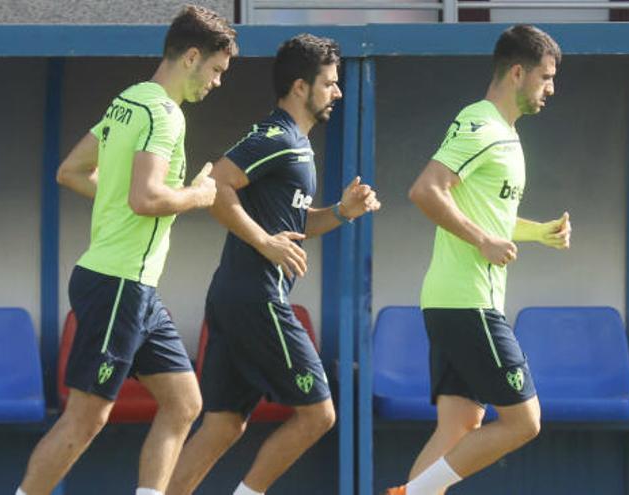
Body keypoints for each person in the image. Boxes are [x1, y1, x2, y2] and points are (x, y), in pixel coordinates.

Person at [16, 6, 237, 495]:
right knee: (86, 419)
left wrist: (127, 196)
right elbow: (146, 199)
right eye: (217, 71)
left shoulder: (128, 101)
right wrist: (200, 196)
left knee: (184, 403)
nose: (218, 83)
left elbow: (70, 172)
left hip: (132, 287)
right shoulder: (165, 114)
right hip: (119, 283)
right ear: (192, 57)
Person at [166, 34, 380, 495]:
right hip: (255, 298)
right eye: (330, 83)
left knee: (223, 426)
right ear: (300, 87)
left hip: (236, 296)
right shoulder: (277, 136)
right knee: (319, 414)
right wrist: (265, 243)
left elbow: (297, 227)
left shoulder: (297, 145)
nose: (338, 93)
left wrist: (342, 212)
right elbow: (217, 186)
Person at [385, 24, 571, 495]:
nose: (552, 88)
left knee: (459, 426)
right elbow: (425, 190)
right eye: (546, 77)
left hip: (454, 302)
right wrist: (482, 241)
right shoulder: (481, 123)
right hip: (468, 303)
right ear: (516, 72)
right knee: (525, 421)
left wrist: (539, 233)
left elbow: (487, 217)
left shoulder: (505, 133)